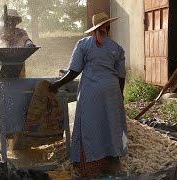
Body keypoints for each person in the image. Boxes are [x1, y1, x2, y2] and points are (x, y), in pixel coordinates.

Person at [49, 12, 127, 177]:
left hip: (91, 91)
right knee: (111, 125)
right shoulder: (116, 48)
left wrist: (57, 84)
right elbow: (121, 76)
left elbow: (74, 70)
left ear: (93, 30)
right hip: (111, 91)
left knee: (90, 126)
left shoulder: (84, 44)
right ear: (108, 27)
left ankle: (90, 166)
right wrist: (120, 95)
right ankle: (112, 164)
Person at [0, 8, 34, 77]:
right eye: (9, 19)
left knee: (20, 84)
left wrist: (29, 44)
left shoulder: (20, 32)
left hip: (18, 62)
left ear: (16, 21)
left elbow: (26, 39)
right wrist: (2, 42)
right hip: (1, 63)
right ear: (5, 20)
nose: (11, 22)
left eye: (13, 20)